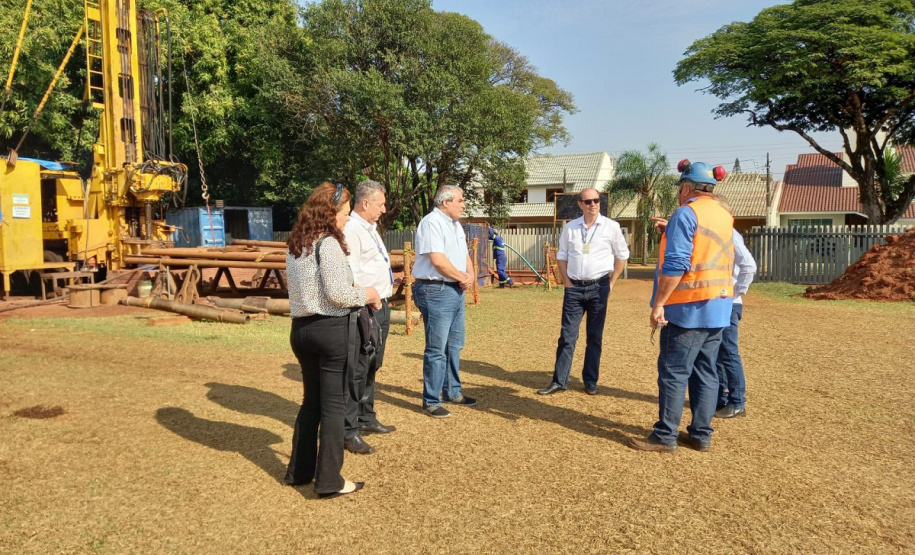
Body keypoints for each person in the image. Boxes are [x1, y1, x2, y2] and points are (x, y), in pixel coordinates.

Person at [628, 160, 734, 453]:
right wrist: (670, 230)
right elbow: (707, 250)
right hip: (719, 307)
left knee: (673, 373)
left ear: (687, 187)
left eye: (679, 188)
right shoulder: (724, 215)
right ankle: (701, 435)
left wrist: (659, 303)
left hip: (687, 309)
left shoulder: (686, 213)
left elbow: (676, 265)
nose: (678, 193)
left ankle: (664, 436)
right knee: (706, 372)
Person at [284, 182, 382, 498]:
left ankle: (299, 472)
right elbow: (338, 294)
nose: (346, 218)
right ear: (330, 212)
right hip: (329, 332)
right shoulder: (327, 243)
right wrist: (368, 293)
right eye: (343, 212)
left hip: (301, 331)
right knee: (334, 406)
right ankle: (329, 481)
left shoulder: (296, 243)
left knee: (311, 402)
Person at [537, 188, 629, 396]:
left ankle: (590, 381)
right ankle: (559, 381)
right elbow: (562, 256)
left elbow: (622, 256)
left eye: (596, 200)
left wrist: (612, 282)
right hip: (574, 289)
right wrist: (567, 283)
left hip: (599, 287)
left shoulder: (611, 227)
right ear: (580, 204)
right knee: (567, 337)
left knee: (594, 337)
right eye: (588, 201)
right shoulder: (570, 228)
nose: (593, 204)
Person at [342, 180, 397, 455]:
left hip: (379, 305)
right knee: (359, 367)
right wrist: (368, 300)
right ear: (365, 203)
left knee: (373, 364)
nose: (384, 209)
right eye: (380, 204)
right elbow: (350, 276)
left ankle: (366, 417)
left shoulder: (370, 229)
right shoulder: (352, 229)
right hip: (366, 308)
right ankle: (348, 429)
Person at [412, 185, 476, 418]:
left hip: (454, 289)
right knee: (437, 349)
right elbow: (438, 261)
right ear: (445, 202)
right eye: (460, 200)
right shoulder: (432, 222)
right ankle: (431, 400)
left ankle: (453, 391)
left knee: (454, 345)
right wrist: (463, 277)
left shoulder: (454, 224)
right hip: (436, 289)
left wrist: (469, 276)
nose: (463, 204)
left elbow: (465, 255)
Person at [715, 229, 756, 418]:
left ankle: (737, 402)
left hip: (729, 303)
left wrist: (736, 292)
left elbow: (748, 265)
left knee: (729, 352)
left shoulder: (729, 233)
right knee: (717, 353)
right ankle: (718, 398)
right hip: (717, 302)